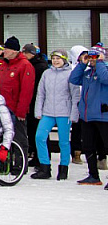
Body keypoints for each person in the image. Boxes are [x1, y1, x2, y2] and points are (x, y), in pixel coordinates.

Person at [32, 50, 79, 180]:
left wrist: (74, 113)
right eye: (53, 58)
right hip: (48, 112)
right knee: (39, 137)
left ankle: (63, 169)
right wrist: (38, 111)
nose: (55, 61)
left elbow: (75, 95)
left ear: (64, 60)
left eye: (58, 58)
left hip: (64, 112)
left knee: (63, 142)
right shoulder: (47, 73)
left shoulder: (70, 74)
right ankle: (45, 167)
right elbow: (40, 93)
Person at [68, 44, 108, 186]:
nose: (92, 59)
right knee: (88, 146)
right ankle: (93, 175)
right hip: (87, 116)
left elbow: (105, 79)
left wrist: (101, 62)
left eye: (95, 56)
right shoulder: (87, 72)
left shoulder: (105, 69)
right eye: (90, 56)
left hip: (103, 116)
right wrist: (81, 64)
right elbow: (73, 79)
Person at [0, 36, 35, 162]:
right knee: (2, 136)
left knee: (19, 136)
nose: (4, 51)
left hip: (15, 109)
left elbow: (26, 90)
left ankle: (19, 164)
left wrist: (21, 111)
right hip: (2, 107)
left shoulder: (25, 65)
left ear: (14, 51)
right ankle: (3, 162)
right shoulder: (4, 64)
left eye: (6, 49)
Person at [24, 43, 49, 167]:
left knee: (39, 130)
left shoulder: (40, 66)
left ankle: (42, 157)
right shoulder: (30, 64)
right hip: (30, 100)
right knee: (31, 130)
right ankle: (35, 154)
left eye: (25, 53)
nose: (23, 55)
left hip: (38, 101)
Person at [69, 45, 89, 165]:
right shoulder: (71, 68)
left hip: (87, 102)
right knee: (76, 129)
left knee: (87, 129)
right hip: (75, 102)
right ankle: (76, 153)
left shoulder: (89, 67)